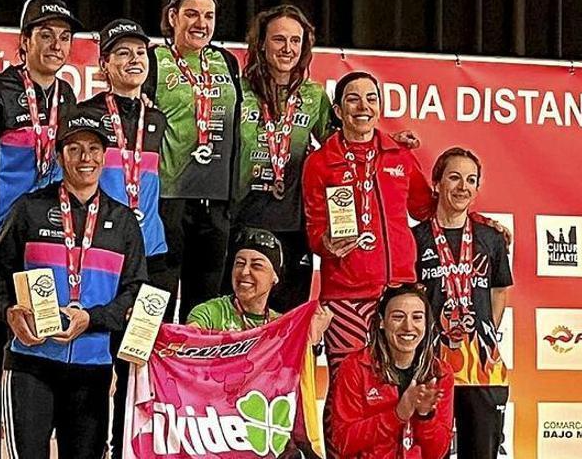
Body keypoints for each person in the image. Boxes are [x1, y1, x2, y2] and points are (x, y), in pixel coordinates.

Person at [0, 0, 81, 459]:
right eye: (45, 35)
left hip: (48, 248)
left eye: (64, 37)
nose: (55, 45)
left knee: (38, 355)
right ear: (23, 41)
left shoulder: (66, 97)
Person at [0, 107, 146, 459]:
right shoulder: (29, 209)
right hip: (30, 364)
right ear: (59, 156)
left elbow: (135, 294)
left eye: (94, 149)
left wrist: (93, 319)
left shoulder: (124, 221)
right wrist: (8, 311)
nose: (86, 158)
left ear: (105, 156)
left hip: (93, 368)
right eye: (74, 149)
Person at [302, 71, 433, 457]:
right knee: (347, 391)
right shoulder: (320, 162)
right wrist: (327, 243)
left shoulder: (399, 156)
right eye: (353, 100)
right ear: (339, 110)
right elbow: (314, 231)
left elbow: (429, 208)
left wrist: (481, 222)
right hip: (346, 298)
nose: (363, 107)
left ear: (380, 107)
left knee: (396, 389)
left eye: (371, 98)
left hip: (398, 294)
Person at [78, 18, 170, 459]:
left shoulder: (156, 116)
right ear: (104, 65)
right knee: (99, 361)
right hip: (103, 259)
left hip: (151, 259)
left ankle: (126, 451)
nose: (134, 61)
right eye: (123, 54)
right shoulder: (88, 116)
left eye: (141, 53)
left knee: (136, 363)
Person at [142, 0, 243, 322]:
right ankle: (145, 377)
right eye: (191, 14)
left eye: (209, 16)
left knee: (204, 308)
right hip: (169, 200)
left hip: (216, 203)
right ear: (172, 17)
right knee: (158, 300)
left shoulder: (226, 62)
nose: (201, 23)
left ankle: (195, 376)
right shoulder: (153, 60)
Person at [188, 227, 333, 458]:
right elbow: (187, 345)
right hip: (215, 431)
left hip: (266, 431)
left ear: (275, 276)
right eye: (239, 263)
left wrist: (311, 343)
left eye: (256, 265)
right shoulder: (209, 312)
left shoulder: (283, 326)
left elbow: (298, 388)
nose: (245, 272)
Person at [231, 4, 335, 313]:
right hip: (242, 221)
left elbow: (343, 144)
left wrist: (387, 141)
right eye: (279, 39)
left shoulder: (314, 96)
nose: (287, 48)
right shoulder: (237, 90)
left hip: (292, 227)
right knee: (241, 319)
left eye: (295, 40)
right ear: (261, 43)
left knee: (286, 321)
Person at [412, 147, 512, 459]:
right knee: (429, 451)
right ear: (437, 183)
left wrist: (485, 332)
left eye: (470, 180)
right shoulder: (415, 239)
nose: (462, 187)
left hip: (482, 367)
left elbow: (499, 291)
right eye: (454, 177)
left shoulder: (490, 238)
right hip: (429, 364)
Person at [331, 284, 454, 459]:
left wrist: (426, 417)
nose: (408, 327)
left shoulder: (440, 373)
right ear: (382, 321)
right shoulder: (355, 367)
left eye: (417, 317)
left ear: (427, 323)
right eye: (398, 317)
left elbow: (437, 452)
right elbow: (343, 442)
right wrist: (397, 415)